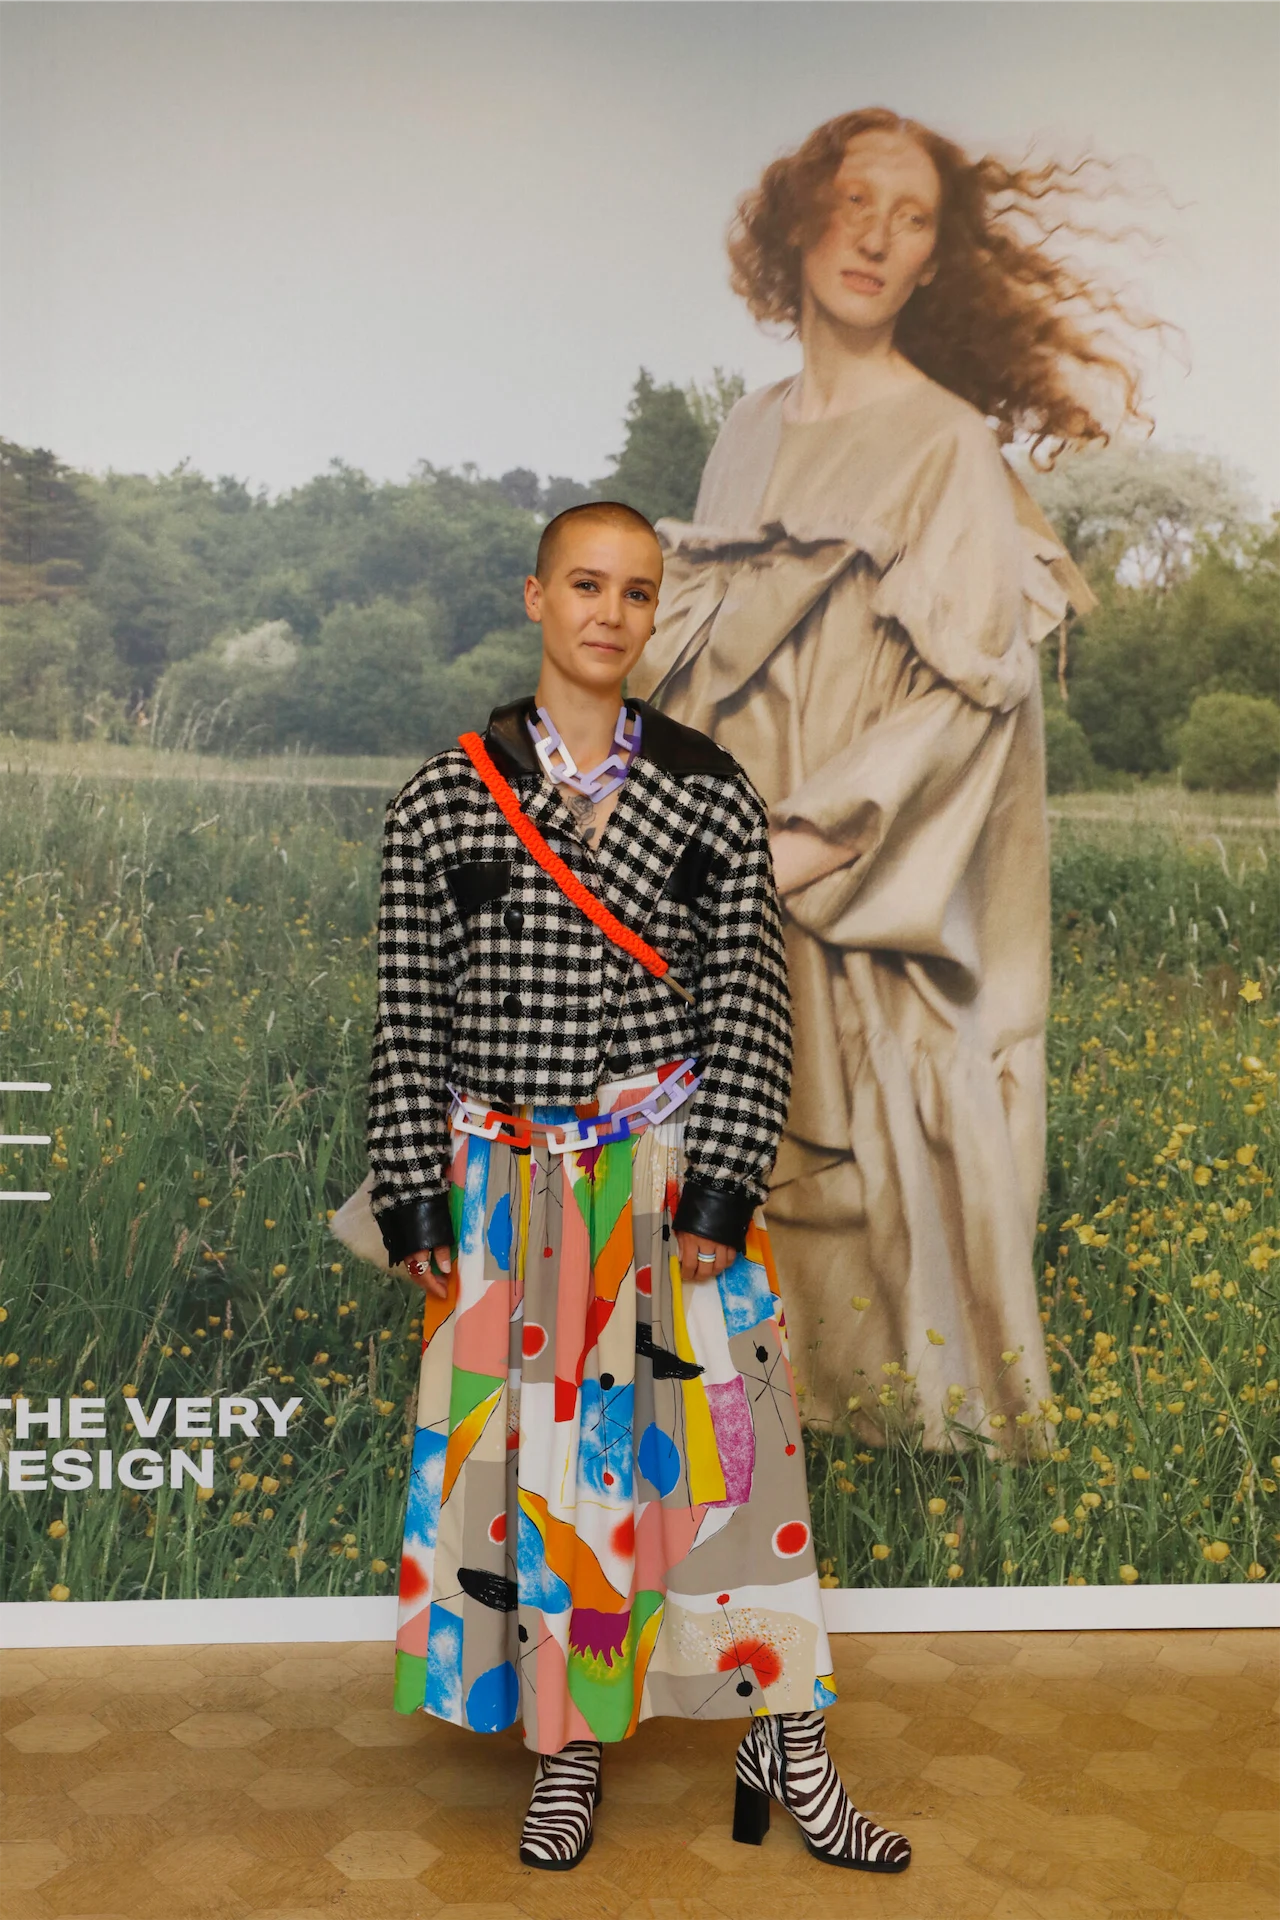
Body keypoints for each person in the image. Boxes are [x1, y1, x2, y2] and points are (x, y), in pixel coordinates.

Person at [364, 501, 911, 1874]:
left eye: (637, 592)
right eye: (586, 585)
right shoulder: (444, 797)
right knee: (549, 1488)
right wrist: (416, 1199)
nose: (611, 613)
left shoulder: (708, 789)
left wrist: (722, 1187)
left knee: (739, 1474)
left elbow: (751, 1006)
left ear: (655, 612)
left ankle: (792, 1748)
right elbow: (407, 1018)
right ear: (536, 596)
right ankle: (567, 1752)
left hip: (669, 1186)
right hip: (505, 1194)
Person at [630, 108, 1154, 1442]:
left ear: (934, 263)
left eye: (911, 218)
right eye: (854, 201)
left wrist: (793, 852)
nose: (874, 236)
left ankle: (889, 1450)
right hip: (725, 839)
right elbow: (698, 659)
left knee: (856, 1144)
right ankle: (725, 1426)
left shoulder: (946, 443)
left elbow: (966, 699)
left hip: (847, 862)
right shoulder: (746, 430)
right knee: (708, 1130)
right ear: (797, 220)